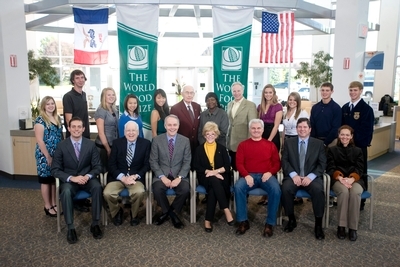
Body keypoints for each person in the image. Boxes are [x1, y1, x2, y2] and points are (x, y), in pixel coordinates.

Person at [51, 117, 103, 244]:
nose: (76, 129)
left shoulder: (90, 144)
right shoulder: (61, 146)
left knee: (97, 187)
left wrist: (88, 176)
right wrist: (71, 178)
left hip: (87, 179)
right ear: (68, 128)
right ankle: (71, 228)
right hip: (70, 181)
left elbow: (98, 166)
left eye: (79, 127)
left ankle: (95, 224)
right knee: (66, 192)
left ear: (83, 129)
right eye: (73, 127)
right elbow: (55, 169)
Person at [234, 119, 281, 237]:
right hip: (249, 175)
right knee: (238, 187)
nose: (256, 130)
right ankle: (243, 221)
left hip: (266, 175)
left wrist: (270, 172)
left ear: (263, 130)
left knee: (276, 190)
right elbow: (239, 163)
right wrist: (246, 175)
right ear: (250, 130)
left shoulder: (270, 145)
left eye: (258, 128)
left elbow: (277, 163)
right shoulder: (243, 145)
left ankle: (269, 224)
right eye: (253, 128)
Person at [281, 118, 327, 240]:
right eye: (300, 127)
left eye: (305, 127)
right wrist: (293, 174)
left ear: (310, 129)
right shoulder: (289, 142)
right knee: (285, 189)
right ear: (296, 129)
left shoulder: (318, 144)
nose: (302, 129)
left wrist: (310, 177)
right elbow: (284, 161)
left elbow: (322, 164)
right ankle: (291, 219)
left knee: (318, 190)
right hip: (294, 176)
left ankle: (318, 224)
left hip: (311, 177)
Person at [104, 121, 151, 226]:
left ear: (138, 132)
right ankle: (117, 212)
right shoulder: (117, 143)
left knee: (139, 192)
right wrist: (122, 177)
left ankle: (134, 214)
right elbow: (111, 164)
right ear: (124, 132)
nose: (131, 133)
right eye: (128, 130)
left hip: (136, 178)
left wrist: (136, 175)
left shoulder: (146, 144)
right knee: (107, 193)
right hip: (118, 178)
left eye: (133, 130)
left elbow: (147, 164)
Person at [149, 115, 191, 229]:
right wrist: (162, 177)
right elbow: (153, 161)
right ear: (165, 126)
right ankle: (173, 215)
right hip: (162, 174)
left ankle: (167, 213)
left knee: (185, 189)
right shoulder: (157, 140)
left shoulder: (185, 141)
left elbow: (187, 161)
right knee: (157, 189)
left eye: (174, 125)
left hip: (179, 175)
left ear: (178, 126)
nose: (172, 127)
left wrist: (179, 177)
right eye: (169, 125)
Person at [193, 122, 234, 232]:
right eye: (207, 134)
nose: (210, 136)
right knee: (213, 180)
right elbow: (196, 165)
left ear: (216, 135)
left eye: (212, 134)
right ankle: (226, 210)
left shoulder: (222, 148)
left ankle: (208, 220)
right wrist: (209, 172)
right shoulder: (199, 149)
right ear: (204, 135)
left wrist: (215, 172)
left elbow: (227, 166)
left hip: (221, 177)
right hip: (205, 177)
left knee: (212, 189)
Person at [327, 125, 365, 241]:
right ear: (338, 135)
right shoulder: (332, 150)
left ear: (351, 136)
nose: (344, 137)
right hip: (339, 179)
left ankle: (353, 228)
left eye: (347, 135)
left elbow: (360, 168)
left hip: (355, 180)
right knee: (343, 192)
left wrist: (352, 179)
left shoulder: (358, 151)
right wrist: (340, 178)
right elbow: (330, 168)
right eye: (342, 134)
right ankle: (341, 226)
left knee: (354, 193)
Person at [341, 81, 374, 210]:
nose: (352, 93)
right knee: (345, 170)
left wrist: (353, 141)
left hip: (359, 147)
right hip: (344, 146)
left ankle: (361, 201)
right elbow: (342, 128)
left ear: (360, 91)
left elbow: (367, 130)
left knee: (361, 171)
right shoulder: (345, 108)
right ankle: (346, 197)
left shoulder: (366, 109)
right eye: (351, 90)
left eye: (355, 90)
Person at [34, 96, 63, 217]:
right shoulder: (40, 120)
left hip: (56, 155)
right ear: (43, 106)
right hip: (44, 155)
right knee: (45, 180)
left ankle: (54, 204)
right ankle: (47, 206)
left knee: (53, 181)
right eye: (48, 104)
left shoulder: (57, 118)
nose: (51, 106)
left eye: (52, 103)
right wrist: (48, 156)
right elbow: (40, 141)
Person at [282, 92, 309, 205]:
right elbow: (283, 128)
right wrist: (282, 141)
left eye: (294, 100)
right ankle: (289, 190)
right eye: (290, 99)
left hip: (297, 139)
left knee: (297, 164)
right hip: (286, 139)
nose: (292, 102)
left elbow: (304, 129)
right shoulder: (285, 112)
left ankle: (298, 195)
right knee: (287, 164)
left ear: (298, 101)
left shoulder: (302, 113)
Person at [227, 82, 258, 171]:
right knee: (233, 165)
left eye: (238, 91)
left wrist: (250, 143)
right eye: (234, 91)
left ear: (243, 91)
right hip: (231, 141)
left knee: (243, 166)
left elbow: (253, 125)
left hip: (243, 141)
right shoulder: (229, 104)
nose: (236, 93)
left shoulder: (250, 105)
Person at [170, 85, 201, 154]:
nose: (189, 95)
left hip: (196, 144)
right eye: (187, 92)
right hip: (182, 144)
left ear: (194, 94)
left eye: (191, 93)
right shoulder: (175, 108)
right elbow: (173, 128)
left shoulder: (197, 106)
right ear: (182, 94)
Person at [94, 87, 119, 172]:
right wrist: (108, 149)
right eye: (108, 95)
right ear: (103, 97)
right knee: (104, 171)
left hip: (113, 144)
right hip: (103, 147)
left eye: (113, 95)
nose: (111, 97)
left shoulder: (114, 110)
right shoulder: (101, 111)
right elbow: (101, 133)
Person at [310, 82, 342, 147]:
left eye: (327, 90)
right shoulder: (315, 107)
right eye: (323, 90)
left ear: (332, 91)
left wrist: (325, 143)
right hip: (316, 140)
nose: (324, 92)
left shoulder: (336, 108)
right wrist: (313, 139)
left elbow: (336, 128)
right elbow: (312, 125)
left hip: (331, 142)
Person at [63, 69, 90, 139]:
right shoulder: (68, 96)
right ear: (73, 81)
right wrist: (76, 134)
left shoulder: (83, 94)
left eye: (82, 77)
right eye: (77, 78)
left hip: (85, 134)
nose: (80, 80)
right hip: (75, 136)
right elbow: (68, 119)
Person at [258, 84, 283, 151]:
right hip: (261, 135)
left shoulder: (278, 106)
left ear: (273, 93)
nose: (268, 94)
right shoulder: (260, 106)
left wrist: (269, 141)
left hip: (273, 136)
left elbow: (276, 126)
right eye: (266, 92)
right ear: (263, 94)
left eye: (270, 92)